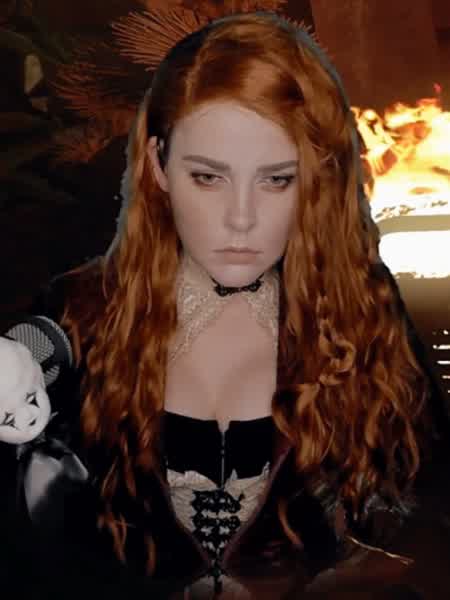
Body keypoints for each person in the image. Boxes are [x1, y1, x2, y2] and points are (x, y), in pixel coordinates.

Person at [0, 10, 448, 600]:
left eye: (276, 180)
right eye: (209, 178)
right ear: (159, 165)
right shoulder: (83, 309)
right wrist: (18, 357)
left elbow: (429, 524)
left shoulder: (361, 313)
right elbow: (35, 353)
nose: (241, 219)